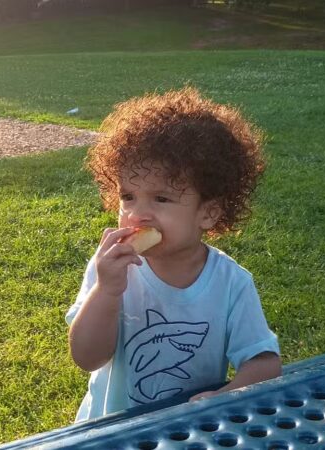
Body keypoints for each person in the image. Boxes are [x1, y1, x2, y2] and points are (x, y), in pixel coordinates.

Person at [66, 87, 282, 422]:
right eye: (128, 197)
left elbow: (265, 364)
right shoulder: (111, 268)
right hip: (111, 431)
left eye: (161, 199)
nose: (138, 214)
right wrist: (106, 292)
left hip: (191, 432)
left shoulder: (231, 284)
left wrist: (224, 398)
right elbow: (87, 357)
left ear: (207, 213)